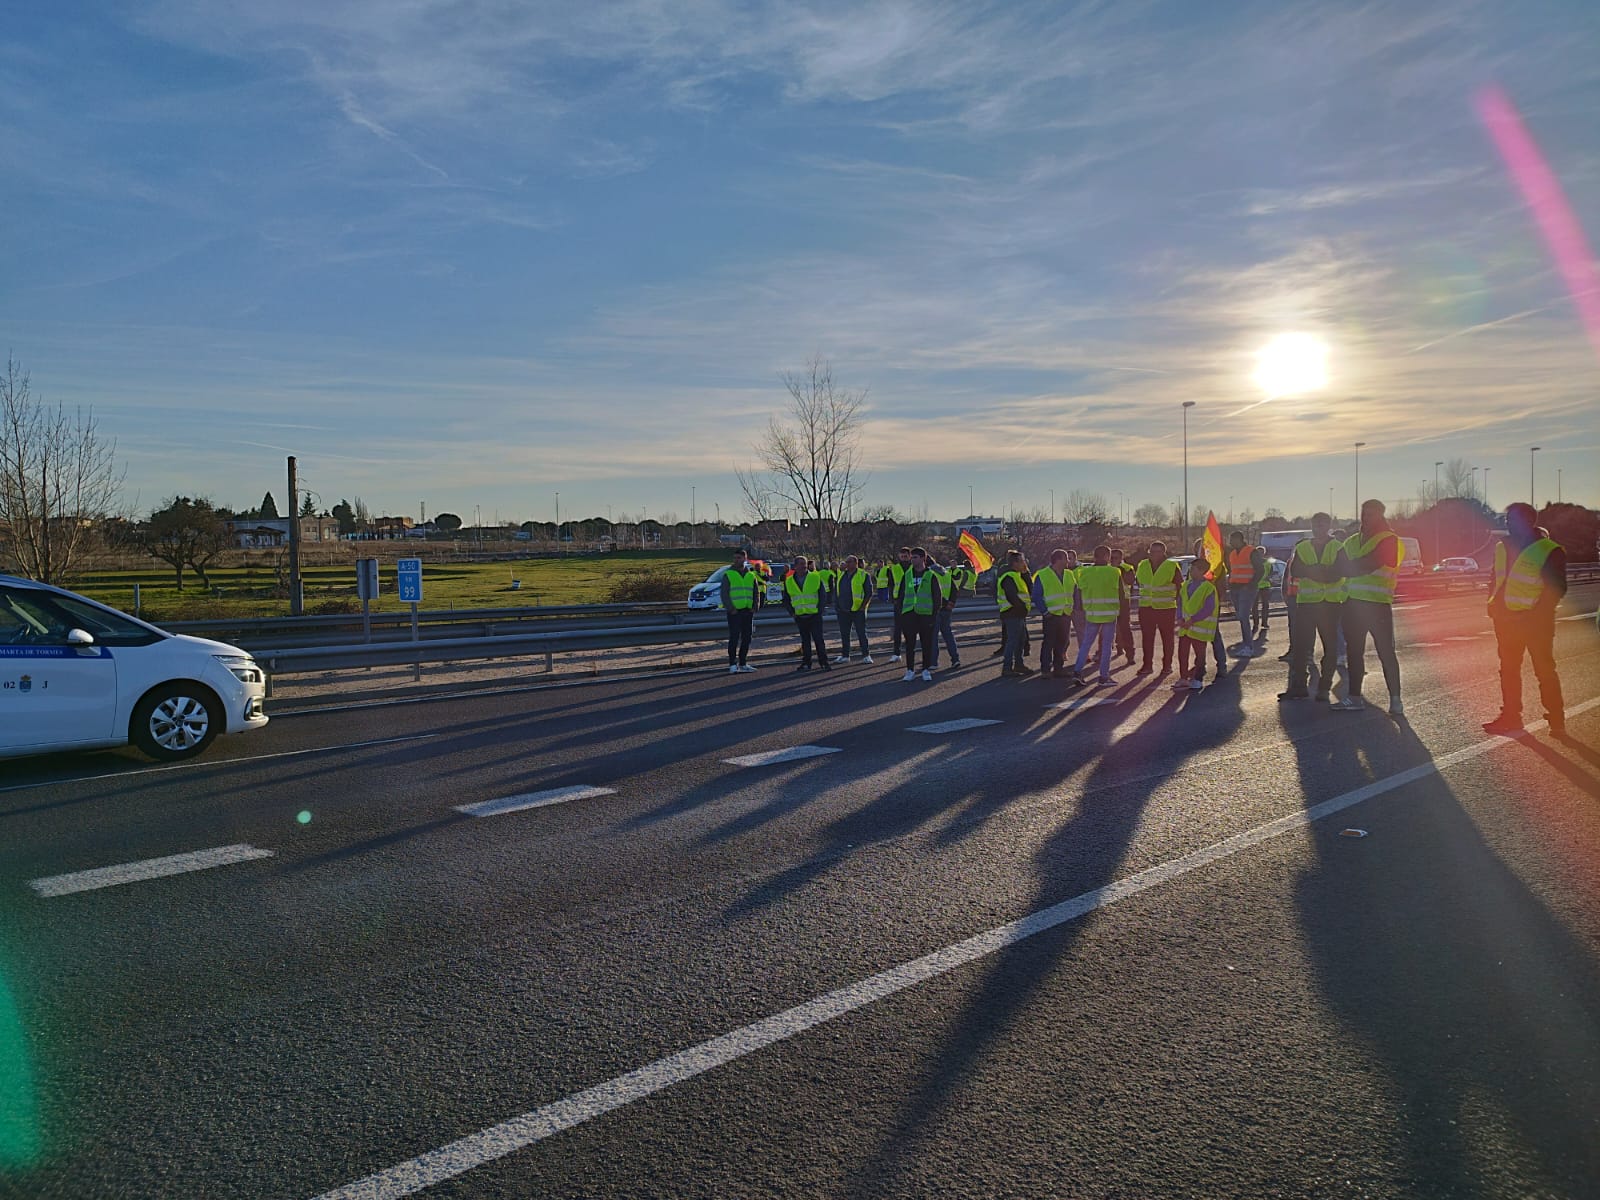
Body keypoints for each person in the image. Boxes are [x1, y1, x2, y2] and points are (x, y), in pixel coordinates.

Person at [1484, 502, 1566, 736]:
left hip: (1535, 623)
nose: (1508, 523)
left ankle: (1557, 720)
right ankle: (1511, 716)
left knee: (1544, 670)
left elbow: (1556, 589)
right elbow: (1495, 578)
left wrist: (1533, 615)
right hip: (1505, 621)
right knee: (1508, 669)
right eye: (1507, 518)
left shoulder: (1549, 550)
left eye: (1513, 519)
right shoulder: (1503, 547)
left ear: (1529, 521)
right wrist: (1492, 605)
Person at [1330, 499, 1403, 714]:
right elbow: (1338, 566)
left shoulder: (1390, 540)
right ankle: (1354, 697)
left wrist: (1351, 567)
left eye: (1371, 514)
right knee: (1354, 652)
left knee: (1386, 652)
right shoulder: (1352, 541)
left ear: (1381, 515)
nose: (1366, 518)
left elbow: (1374, 562)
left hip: (1377, 603)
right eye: (1364, 513)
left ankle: (1396, 700)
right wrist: (1354, 567)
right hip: (1353, 604)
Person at [1279, 512, 1343, 701]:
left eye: (1323, 525)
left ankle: (1324, 688)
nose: (1319, 528)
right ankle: (1298, 687)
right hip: (1306, 605)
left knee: (1329, 648)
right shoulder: (1303, 546)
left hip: (1330, 605)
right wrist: (1320, 571)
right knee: (1300, 648)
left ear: (1329, 525)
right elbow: (1296, 570)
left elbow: (1336, 574)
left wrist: (1311, 571)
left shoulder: (1338, 547)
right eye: (1316, 525)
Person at [1073, 544, 1121, 686]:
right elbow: (1121, 593)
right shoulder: (1114, 572)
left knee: (1086, 644)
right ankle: (1104, 677)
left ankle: (1077, 672)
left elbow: (1080, 591)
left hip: (1092, 613)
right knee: (1106, 646)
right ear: (1107, 556)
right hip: (1109, 614)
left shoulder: (1085, 572)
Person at [895, 546, 943, 681]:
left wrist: (934, 615)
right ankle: (909, 670)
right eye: (912, 557)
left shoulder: (930, 575)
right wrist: (901, 614)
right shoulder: (908, 575)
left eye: (915, 557)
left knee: (926, 643)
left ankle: (926, 669)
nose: (912, 560)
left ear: (923, 558)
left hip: (925, 614)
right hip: (909, 614)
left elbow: (937, 597)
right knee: (910, 644)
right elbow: (901, 595)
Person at [1032, 548, 1078, 680]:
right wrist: (1045, 611)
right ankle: (1045, 669)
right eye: (1066, 558)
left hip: (1065, 614)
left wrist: (1073, 607)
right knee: (1048, 642)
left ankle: (1059, 668)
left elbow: (1074, 591)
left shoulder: (1069, 574)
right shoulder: (1043, 574)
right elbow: (1036, 595)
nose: (1068, 561)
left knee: (1062, 642)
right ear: (1059, 560)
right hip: (1051, 615)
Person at [1134, 541, 1179, 676]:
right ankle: (1147, 665)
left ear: (1163, 552)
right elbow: (1138, 582)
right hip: (1146, 608)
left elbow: (1179, 586)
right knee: (1147, 638)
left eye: (1157, 552)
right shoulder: (1143, 565)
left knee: (1167, 638)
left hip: (1166, 608)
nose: (1154, 554)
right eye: (1152, 551)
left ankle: (1167, 665)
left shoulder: (1171, 566)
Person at [1175, 556, 1219, 691]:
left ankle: (1198, 678)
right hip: (1185, 627)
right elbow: (1180, 602)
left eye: (1193, 569)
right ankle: (1183, 678)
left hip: (1199, 627)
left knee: (1200, 654)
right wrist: (1179, 617)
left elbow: (1208, 608)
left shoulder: (1208, 588)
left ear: (1201, 571)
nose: (1190, 571)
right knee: (1182, 652)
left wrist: (1192, 620)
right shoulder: (1186, 585)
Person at [783, 555, 832, 671]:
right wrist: (792, 613)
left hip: (814, 615)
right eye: (801, 564)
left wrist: (819, 610)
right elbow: (786, 599)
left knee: (818, 640)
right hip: (800, 616)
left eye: (805, 563)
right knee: (805, 642)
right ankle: (806, 663)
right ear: (795, 566)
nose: (804, 566)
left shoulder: (815, 577)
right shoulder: (789, 581)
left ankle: (824, 662)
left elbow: (822, 595)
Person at [1192, 537, 1230, 680]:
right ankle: (1200, 665)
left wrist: (1216, 602)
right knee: (1196, 636)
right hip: (1195, 607)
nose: (1200, 551)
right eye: (1198, 549)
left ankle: (1222, 665)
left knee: (1214, 635)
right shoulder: (1194, 566)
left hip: (1211, 606)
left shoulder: (1217, 566)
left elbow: (1221, 586)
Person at [720, 548, 763, 674]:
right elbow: (724, 594)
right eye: (735, 558)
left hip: (747, 611)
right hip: (735, 612)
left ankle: (743, 663)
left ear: (745, 558)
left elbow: (756, 592)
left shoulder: (751, 575)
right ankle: (732, 663)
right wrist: (731, 608)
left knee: (747, 637)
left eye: (738, 558)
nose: (736, 560)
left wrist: (755, 606)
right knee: (734, 637)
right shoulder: (729, 574)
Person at [997, 550, 1034, 676]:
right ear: (1015, 563)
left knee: (1020, 640)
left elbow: (1030, 589)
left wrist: (1026, 573)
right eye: (1023, 561)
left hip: (1019, 613)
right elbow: (1012, 596)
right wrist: (1022, 608)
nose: (1025, 563)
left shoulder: (1018, 575)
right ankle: (1007, 667)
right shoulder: (1008, 576)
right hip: (1012, 613)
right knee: (1013, 640)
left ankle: (1019, 664)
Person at [834, 554, 874, 664]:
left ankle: (866, 655)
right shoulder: (841, 575)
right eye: (846, 562)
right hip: (843, 610)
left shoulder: (863, 575)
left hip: (857, 610)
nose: (847, 564)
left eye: (849, 562)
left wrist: (862, 607)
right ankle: (845, 656)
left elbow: (869, 592)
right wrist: (837, 606)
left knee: (861, 633)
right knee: (844, 634)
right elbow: (836, 592)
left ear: (855, 563)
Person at [1225, 530, 1258, 656]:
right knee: (1241, 616)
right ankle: (1246, 644)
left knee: (1244, 617)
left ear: (1239, 539)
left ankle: (1248, 646)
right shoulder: (1233, 553)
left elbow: (1259, 570)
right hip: (1235, 588)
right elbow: (1233, 570)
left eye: (1232, 540)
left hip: (1246, 588)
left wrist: (1251, 585)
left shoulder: (1251, 551)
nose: (1230, 542)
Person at [878, 547, 912, 663]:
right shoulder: (894, 568)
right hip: (899, 601)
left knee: (911, 629)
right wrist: (893, 599)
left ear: (910, 556)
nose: (904, 558)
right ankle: (896, 653)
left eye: (906, 556)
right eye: (902, 556)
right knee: (898, 629)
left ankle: (910, 652)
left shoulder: (913, 567)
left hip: (912, 600)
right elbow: (891, 584)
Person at [929, 555, 962, 669]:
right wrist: (951, 603)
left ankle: (933, 662)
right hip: (947, 609)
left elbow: (936, 593)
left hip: (936, 609)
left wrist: (944, 602)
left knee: (933, 637)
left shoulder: (930, 574)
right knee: (948, 635)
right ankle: (955, 659)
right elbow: (954, 589)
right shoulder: (946, 573)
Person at [1110, 548, 1137, 666]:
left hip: (1123, 604)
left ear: (1121, 558)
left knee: (1125, 629)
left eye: (1116, 558)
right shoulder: (1108, 569)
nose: (1113, 560)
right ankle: (1107, 651)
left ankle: (1130, 655)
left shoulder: (1127, 568)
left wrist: (1119, 569)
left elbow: (1130, 581)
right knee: (1106, 630)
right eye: (1112, 558)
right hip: (1109, 603)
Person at [1251, 544, 1272, 642]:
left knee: (1260, 606)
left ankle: (1261, 623)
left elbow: (1270, 572)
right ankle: (1260, 623)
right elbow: (1270, 573)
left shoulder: (1265, 562)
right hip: (1260, 586)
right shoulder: (1267, 562)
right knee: (1260, 606)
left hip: (1262, 586)